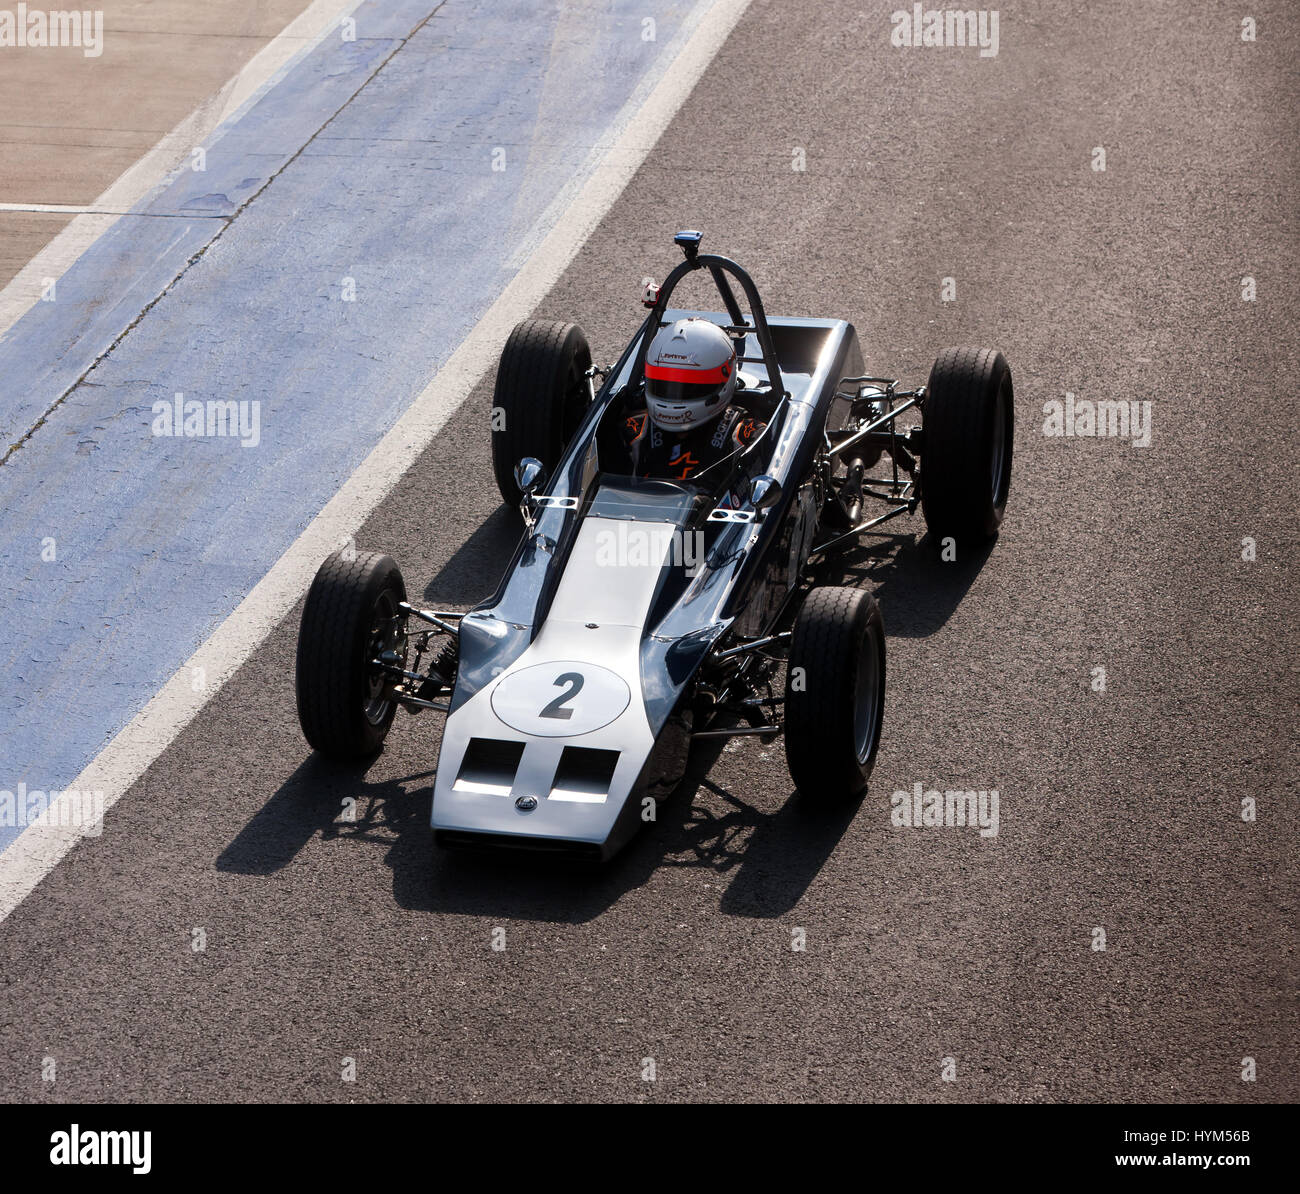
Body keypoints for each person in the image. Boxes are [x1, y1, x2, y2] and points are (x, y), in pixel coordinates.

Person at [622, 317, 765, 482]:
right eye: (663, 385)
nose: (673, 398)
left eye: (688, 388)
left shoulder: (746, 436)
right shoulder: (633, 432)